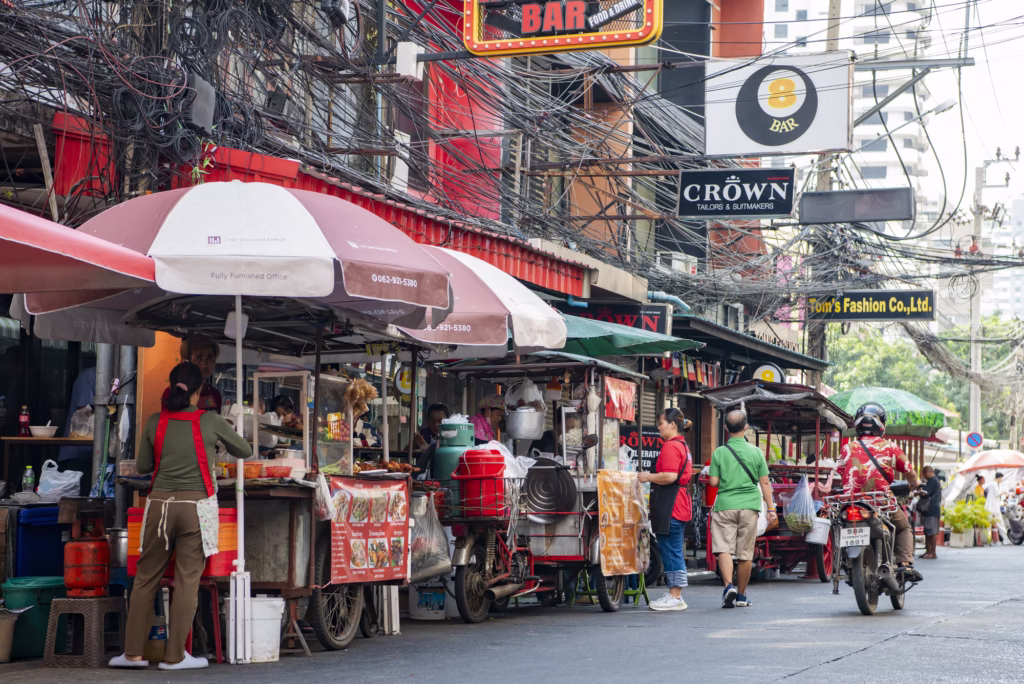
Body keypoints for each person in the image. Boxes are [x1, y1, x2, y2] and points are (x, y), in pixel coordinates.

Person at [111, 362, 251, 671]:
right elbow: (244, 450)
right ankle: (175, 657)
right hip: (196, 509)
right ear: (200, 392)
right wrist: (218, 438)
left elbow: (144, 467)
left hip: (159, 507)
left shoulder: (154, 421)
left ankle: (133, 653)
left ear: (171, 386)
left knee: (145, 579)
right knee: (188, 581)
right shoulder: (210, 420)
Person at [836, 402, 921, 582]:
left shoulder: (847, 448)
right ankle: (905, 563)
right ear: (881, 425)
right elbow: (910, 472)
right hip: (881, 503)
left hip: (851, 503)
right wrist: (917, 484)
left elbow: (840, 472)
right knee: (904, 527)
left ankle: (846, 561)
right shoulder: (890, 447)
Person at [708, 409, 776, 609]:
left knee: (724, 548)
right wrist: (771, 509)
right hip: (750, 506)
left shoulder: (719, 452)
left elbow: (713, 482)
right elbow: (764, 482)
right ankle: (742, 595)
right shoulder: (755, 452)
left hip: (725, 505)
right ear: (746, 427)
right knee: (745, 553)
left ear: (726, 428)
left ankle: (728, 585)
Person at [637, 408, 693, 612]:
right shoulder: (682, 445)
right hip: (678, 502)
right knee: (673, 549)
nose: (658, 427)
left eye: (661, 423)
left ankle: (675, 595)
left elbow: (669, 476)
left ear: (672, 424)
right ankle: (675, 593)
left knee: (670, 550)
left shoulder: (671, 446)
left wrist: (647, 477)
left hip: (672, 504)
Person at [58, 366, 96, 495]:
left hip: (97, 452)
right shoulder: (90, 376)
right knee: (80, 499)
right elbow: (84, 411)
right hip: (79, 452)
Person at [161, 335, 222, 413]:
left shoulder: (215, 394)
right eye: (199, 358)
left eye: (210, 358)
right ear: (184, 362)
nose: (205, 362)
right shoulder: (172, 392)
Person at [918, 466, 942, 559]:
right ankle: (928, 551)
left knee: (931, 532)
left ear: (926, 472)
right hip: (934, 508)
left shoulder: (932, 481)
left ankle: (932, 552)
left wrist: (918, 491)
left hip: (931, 509)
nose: (924, 476)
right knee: (928, 531)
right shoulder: (935, 481)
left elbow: (925, 493)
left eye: (923, 474)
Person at [985, 472, 1008, 545]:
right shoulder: (994, 484)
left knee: (988, 524)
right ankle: (1005, 539)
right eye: (1001, 478)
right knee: (1000, 523)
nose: (1001, 480)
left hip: (990, 507)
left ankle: (987, 539)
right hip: (993, 507)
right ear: (999, 478)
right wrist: (1004, 492)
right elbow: (998, 493)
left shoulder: (992, 484)